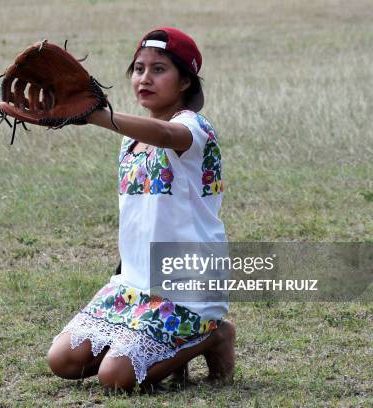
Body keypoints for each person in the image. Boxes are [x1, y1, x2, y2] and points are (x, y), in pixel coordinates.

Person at [46, 27, 236, 392]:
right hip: (134, 283)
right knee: (63, 360)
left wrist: (94, 116)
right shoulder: (131, 140)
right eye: (138, 68)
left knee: (114, 379)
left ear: (184, 82)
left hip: (186, 289)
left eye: (159, 69)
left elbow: (165, 135)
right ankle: (169, 350)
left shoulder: (193, 128)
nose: (144, 78)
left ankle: (214, 334)